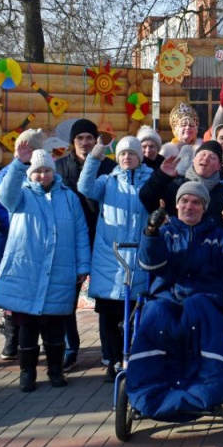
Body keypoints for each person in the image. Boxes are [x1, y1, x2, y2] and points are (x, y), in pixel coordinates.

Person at [131, 183, 223, 419]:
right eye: (184, 201)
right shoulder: (165, 233)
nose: (190, 206)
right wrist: (151, 232)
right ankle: (150, 389)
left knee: (196, 307)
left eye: (196, 202)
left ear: (204, 207)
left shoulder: (217, 236)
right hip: (168, 298)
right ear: (176, 204)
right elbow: (149, 265)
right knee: (154, 310)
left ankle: (203, 389)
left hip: (205, 298)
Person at [0, 143, 91, 392]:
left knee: (55, 325)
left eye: (47, 171)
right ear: (30, 173)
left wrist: (83, 264)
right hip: (28, 271)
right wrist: (18, 163)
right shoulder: (21, 195)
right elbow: (4, 196)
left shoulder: (68, 197)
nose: (43, 175)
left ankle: (55, 370)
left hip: (60, 270)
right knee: (28, 325)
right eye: (38, 171)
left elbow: (81, 231)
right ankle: (27, 373)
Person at [78, 135, 154, 382]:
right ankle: (111, 360)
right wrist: (96, 154)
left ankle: (135, 358)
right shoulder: (107, 181)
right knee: (109, 314)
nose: (126, 157)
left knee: (137, 312)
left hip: (140, 256)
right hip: (111, 258)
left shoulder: (150, 180)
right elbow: (84, 186)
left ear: (139, 157)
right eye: (122, 154)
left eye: (131, 153)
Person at [54, 118, 115, 371]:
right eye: (80, 138)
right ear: (73, 142)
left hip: (101, 237)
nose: (85, 142)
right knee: (68, 297)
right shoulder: (59, 167)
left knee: (104, 299)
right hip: (71, 240)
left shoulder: (109, 166)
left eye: (89, 138)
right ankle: (71, 349)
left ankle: (109, 350)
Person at [0, 128, 46, 363]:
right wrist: (16, 226)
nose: (27, 151)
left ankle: (33, 339)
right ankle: (11, 339)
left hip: (36, 243)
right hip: (10, 240)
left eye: (32, 148)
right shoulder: (5, 174)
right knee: (11, 289)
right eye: (24, 147)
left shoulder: (43, 172)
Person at [140, 140, 223, 231]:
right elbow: (146, 197)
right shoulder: (176, 186)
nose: (206, 158)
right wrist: (161, 175)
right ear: (194, 159)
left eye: (212, 157)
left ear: (218, 166)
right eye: (202, 154)